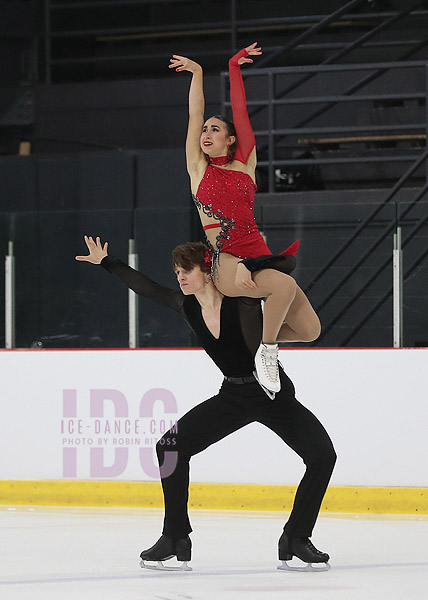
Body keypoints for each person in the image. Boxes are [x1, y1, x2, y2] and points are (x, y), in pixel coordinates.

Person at [76, 235, 336, 572]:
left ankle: (297, 538)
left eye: (187, 270)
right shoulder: (185, 305)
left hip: (272, 394)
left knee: (322, 456)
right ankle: (175, 537)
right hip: (233, 396)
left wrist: (246, 265)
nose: (180, 277)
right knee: (170, 447)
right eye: (177, 271)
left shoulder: (240, 299)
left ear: (208, 272)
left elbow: (284, 267)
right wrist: (108, 263)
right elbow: (146, 287)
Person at [169, 43, 321, 395]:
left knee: (310, 329)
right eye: (204, 130)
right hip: (225, 261)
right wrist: (198, 74)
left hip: (258, 254)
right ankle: (266, 353)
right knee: (284, 287)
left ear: (231, 139)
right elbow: (194, 115)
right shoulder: (197, 170)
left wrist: (233, 67)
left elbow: (242, 110)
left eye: (214, 130)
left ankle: (248, 340)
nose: (206, 134)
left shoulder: (245, 165)